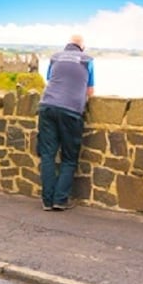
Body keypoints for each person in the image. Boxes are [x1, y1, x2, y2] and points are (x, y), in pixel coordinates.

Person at [37, 34, 94, 212]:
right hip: (71, 111)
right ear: (82, 47)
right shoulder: (87, 60)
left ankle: (47, 201)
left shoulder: (55, 57)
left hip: (47, 106)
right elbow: (90, 91)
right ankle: (60, 201)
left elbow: (50, 80)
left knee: (47, 155)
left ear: (67, 45)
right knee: (69, 158)